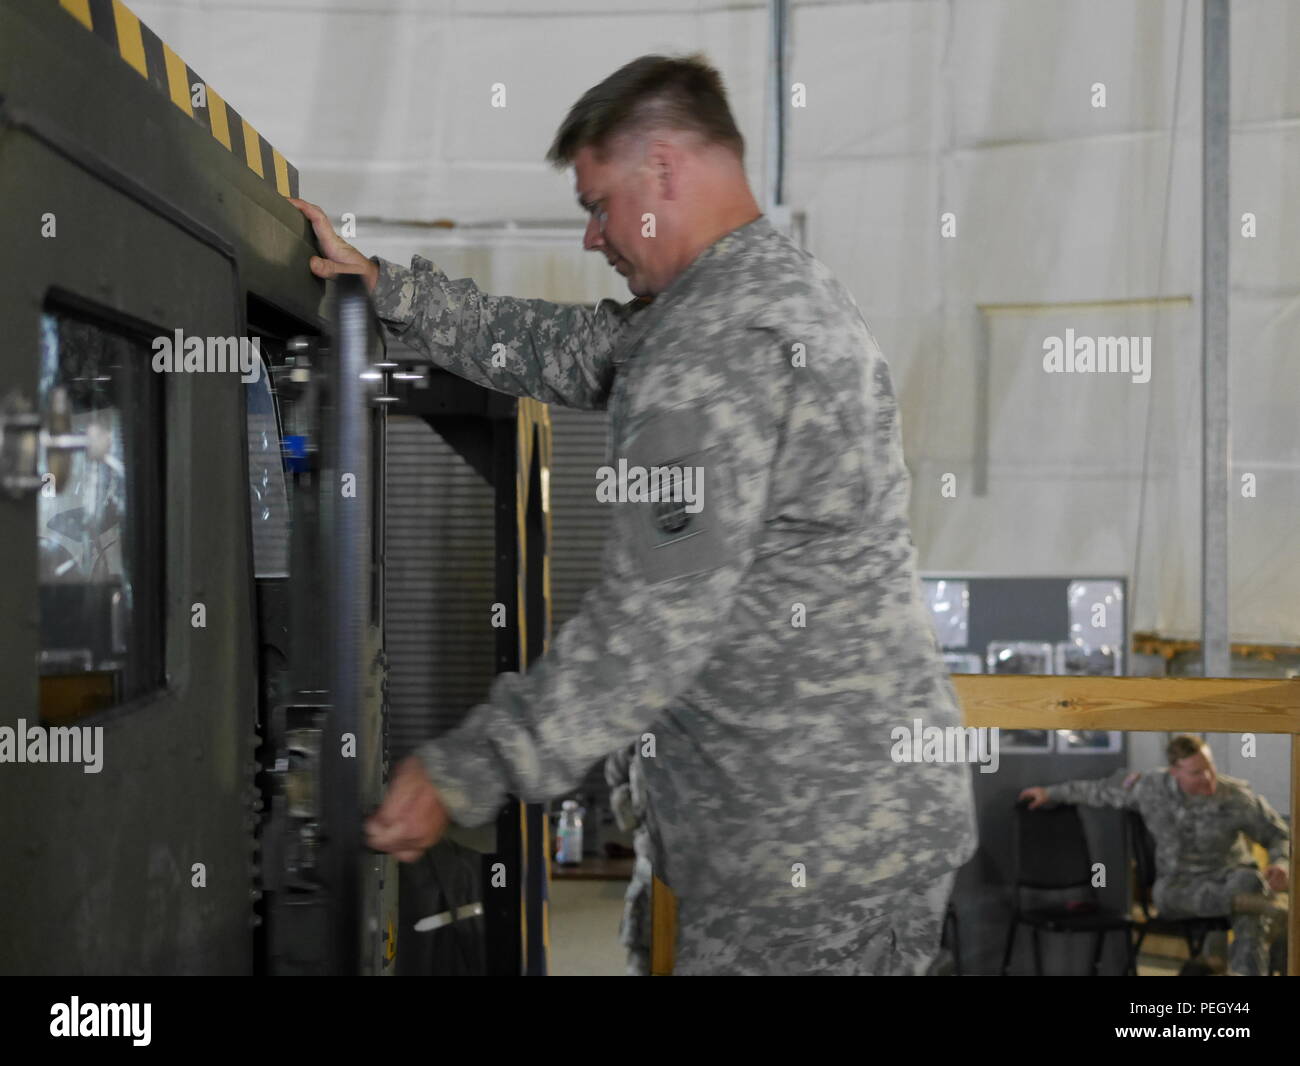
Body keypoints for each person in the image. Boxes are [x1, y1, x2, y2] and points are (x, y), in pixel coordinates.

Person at [293, 52, 976, 975]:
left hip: (807, 849)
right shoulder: (760, 294)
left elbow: (650, 625)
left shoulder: (716, 340)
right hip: (843, 827)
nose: (591, 236)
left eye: (596, 202)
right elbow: (573, 347)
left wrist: (462, 771)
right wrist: (395, 290)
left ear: (663, 170)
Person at [1020, 734, 1290, 976]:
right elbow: (1098, 791)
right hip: (1179, 885)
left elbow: (1279, 835)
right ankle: (1250, 912)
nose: (1207, 778)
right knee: (1185, 898)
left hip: (1228, 877)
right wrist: (1050, 793)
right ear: (1174, 772)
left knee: (1249, 885)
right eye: (1196, 773)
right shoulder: (1151, 788)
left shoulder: (1235, 796)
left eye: (1209, 768)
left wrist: (1281, 864)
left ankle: (1246, 967)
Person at [604, 742, 652, 976]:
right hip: (656, 872)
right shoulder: (642, 731)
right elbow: (626, 815)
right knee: (644, 959)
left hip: (727, 873)